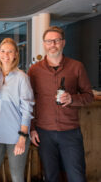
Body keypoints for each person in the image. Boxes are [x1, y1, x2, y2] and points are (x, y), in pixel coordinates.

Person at [28, 26, 94, 182]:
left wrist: (72, 99)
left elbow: (89, 96)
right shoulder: (34, 70)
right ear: (44, 44)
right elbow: (29, 101)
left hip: (70, 132)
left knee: (77, 176)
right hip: (44, 132)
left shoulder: (76, 67)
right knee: (51, 177)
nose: (53, 44)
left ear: (63, 43)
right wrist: (31, 128)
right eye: (49, 41)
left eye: (56, 41)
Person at [0, 38, 34, 182]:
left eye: (10, 51)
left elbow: (27, 109)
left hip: (15, 136)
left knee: (17, 177)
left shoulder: (22, 78)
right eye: (3, 51)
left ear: (16, 54)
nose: (6, 55)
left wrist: (22, 138)